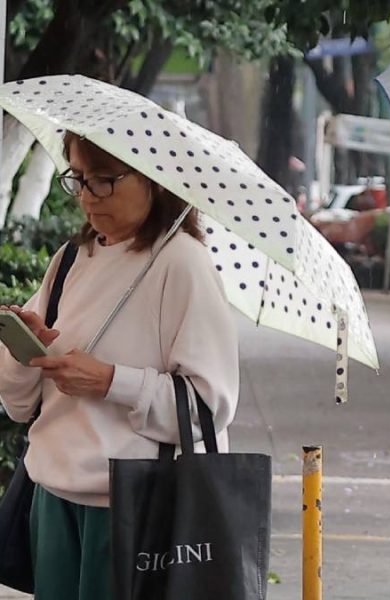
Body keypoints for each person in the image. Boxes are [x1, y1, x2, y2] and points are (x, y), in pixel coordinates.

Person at [0, 132, 239, 600]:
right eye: (79, 179)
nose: (88, 197)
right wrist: (24, 349)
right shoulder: (71, 259)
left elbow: (209, 408)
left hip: (134, 507)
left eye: (105, 180)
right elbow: (17, 403)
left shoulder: (183, 264)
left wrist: (110, 381)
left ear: (156, 181)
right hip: (51, 495)